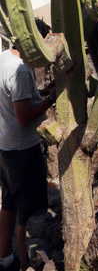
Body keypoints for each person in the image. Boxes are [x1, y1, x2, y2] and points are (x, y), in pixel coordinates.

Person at [0, 43, 56, 271]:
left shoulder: (4, 58)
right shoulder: (21, 70)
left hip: (6, 146)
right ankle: (25, 264)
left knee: (9, 202)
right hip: (23, 149)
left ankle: (5, 259)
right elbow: (23, 117)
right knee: (28, 211)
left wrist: (41, 92)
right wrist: (50, 99)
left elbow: (17, 97)